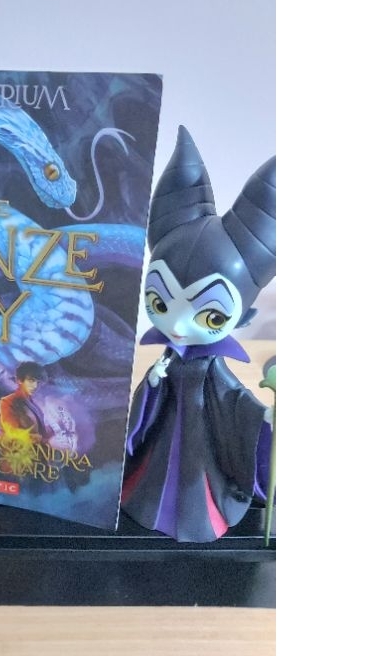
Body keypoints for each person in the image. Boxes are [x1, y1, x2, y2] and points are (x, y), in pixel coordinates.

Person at [121, 126, 275, 543]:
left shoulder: (213, 368)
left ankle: (198, 513)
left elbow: (234, 401)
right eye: (160, 301)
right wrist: (153, 384)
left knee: (196, 480)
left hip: (203, 447)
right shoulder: (167, 357)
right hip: (164, 433)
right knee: (151, 472)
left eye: (209, 314)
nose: (178, 324)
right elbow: (144, 405)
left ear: (241, 314)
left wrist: (261, 418)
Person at [0, 361, 53, 445]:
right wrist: (29, 437)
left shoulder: (34, 404)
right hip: (23, 448)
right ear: (20, 380)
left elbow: (41, 430)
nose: (35, 386)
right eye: (31, 381)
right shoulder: (8, 401)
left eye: (38, 382)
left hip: (41, 448)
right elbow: (11, 430)